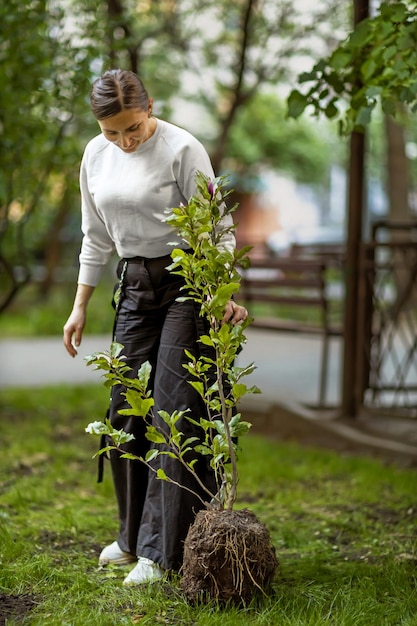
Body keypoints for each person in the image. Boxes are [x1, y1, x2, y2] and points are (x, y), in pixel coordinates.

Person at [63, 69, 248, 585]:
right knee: (125, 406)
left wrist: (218, 292)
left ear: (151, 108)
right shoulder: (94, 156)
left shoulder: (183, 149)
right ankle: (129, 536)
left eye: (134, 129)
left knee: (173, 407)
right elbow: (94, 235)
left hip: (185, 280)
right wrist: (80, 306)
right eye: (112, 132)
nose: (124, 142)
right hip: (136, 286)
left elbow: (218, 228)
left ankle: (159, 552)